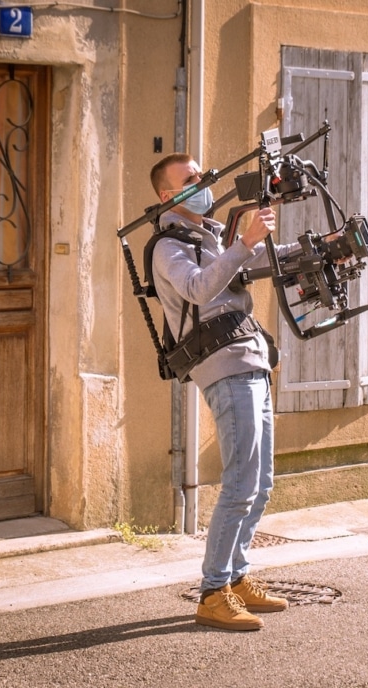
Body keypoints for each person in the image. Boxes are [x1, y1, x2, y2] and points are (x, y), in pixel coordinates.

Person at [149, 152, 289, 632]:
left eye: (204, 175)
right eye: (191, 179)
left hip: (251, 357)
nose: (205, 183)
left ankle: (237, 576)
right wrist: (244, 242)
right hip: (224, 365)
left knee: (261, 481)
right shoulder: (167, 245)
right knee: (240, 481)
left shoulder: (210, 235)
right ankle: (212, 592)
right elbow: (198, 288)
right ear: (168, 195)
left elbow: (249, 266)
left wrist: (322, 247)